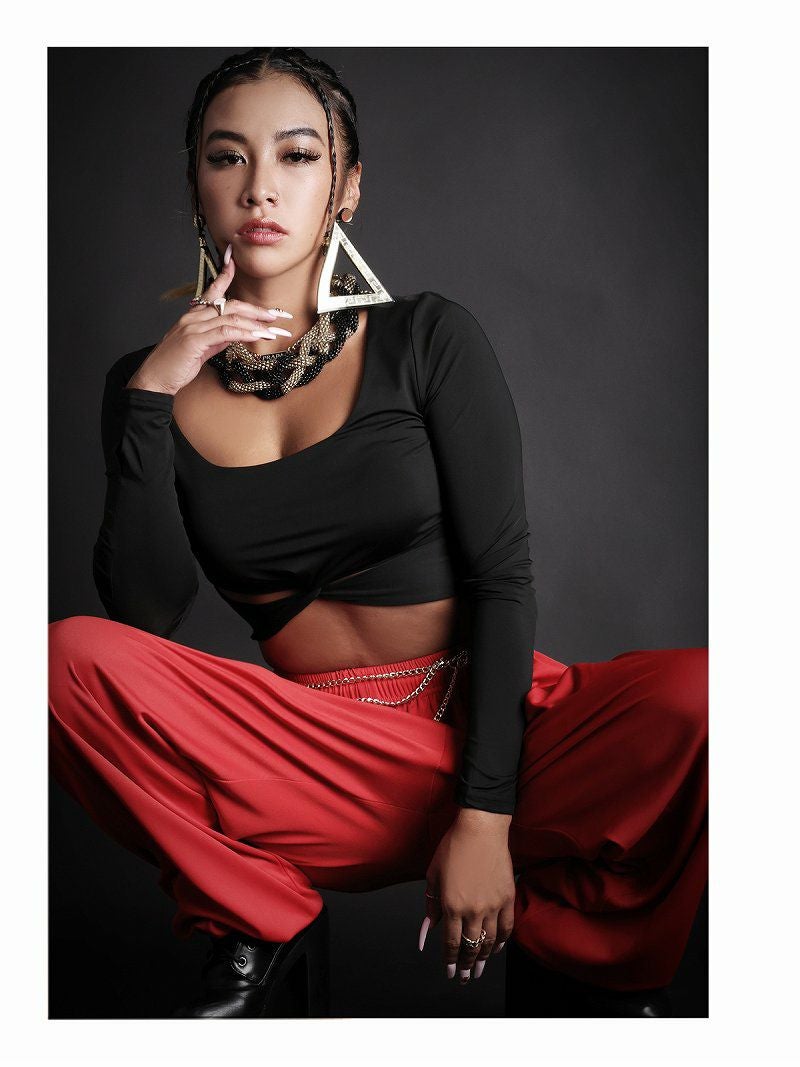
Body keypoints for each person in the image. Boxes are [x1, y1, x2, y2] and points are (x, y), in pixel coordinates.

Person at [48, 47, 708, 1019]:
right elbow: (146, 612)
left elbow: (502, 575)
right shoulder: (146, 387)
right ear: (195, 186)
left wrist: (484, 813)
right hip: (311, 760)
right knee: (62, 659)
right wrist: (150, 397)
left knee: (706, 695)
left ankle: (581, 962)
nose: (260, 187)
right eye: (227, 157)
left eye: (297, 155)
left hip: (498, 729)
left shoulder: (426, 338)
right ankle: (260, 913)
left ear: (347, 186)